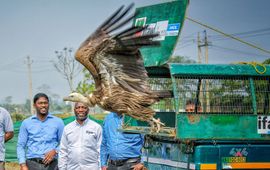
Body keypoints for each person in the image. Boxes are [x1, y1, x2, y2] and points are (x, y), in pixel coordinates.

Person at [17, 93, 65, 170]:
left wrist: (55, 151)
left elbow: (64, 143)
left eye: (45, 103)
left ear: (48, 104)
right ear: (34, 105)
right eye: (40, 103)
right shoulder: (26, 123)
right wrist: (23, 165)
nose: (43, 105)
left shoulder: (58, 122)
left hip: (52, 164)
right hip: (32, 164)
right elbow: (20, 145)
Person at [58, 102, 102, 170]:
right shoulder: (67, 128)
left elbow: (100, 150)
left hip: (91, 167)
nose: (80, 110)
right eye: (78, 108)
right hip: (72, 168)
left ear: (88, 110)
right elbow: (63, 151)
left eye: (83, 107)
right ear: (74, 110)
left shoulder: (96, 127)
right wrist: (62, 168)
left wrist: (100, 168)